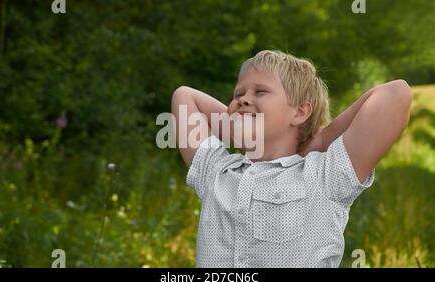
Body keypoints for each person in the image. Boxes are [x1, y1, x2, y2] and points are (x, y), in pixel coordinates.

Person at [171, 50, 412, 267]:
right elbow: (184, 97)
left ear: (299, 112)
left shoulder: (324, 175)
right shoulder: (218, 172)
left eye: (261, 91)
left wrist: (320, 141)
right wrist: (237, 123)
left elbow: (395, 94)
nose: (242, 99)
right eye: (238, 94)